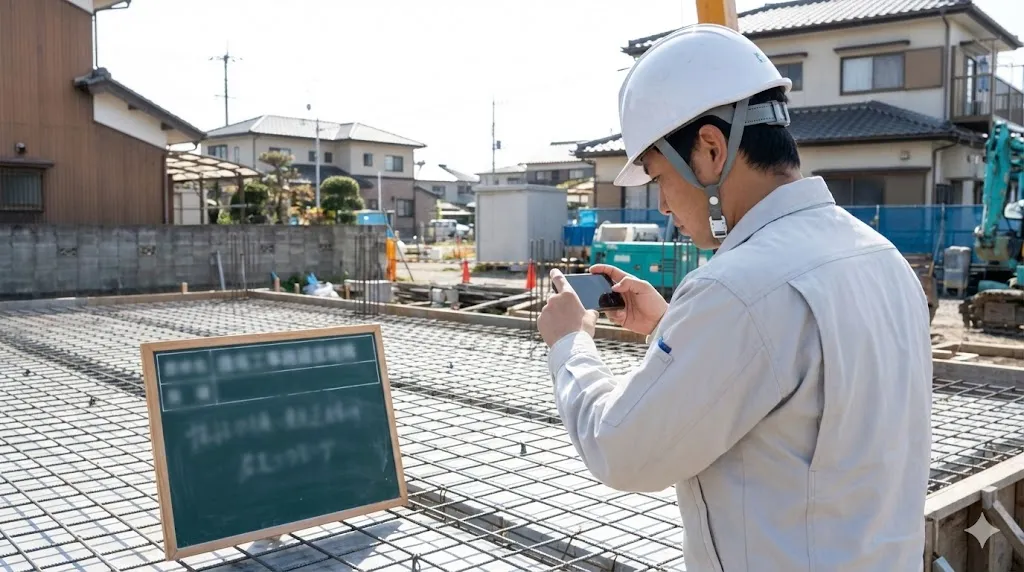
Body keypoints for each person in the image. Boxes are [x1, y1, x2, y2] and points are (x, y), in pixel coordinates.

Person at [537, 23, 932, 572]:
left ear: (710, 149)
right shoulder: (879, 257)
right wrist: (674, 325)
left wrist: (569, 345)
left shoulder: (739, 288)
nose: (663, 208)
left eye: (658, 178)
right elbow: (802, 387)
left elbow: (622, 450)